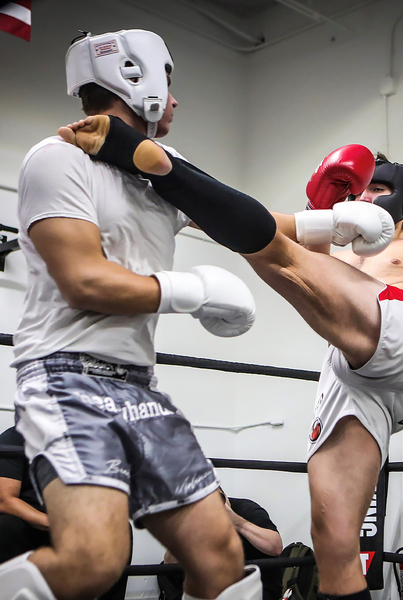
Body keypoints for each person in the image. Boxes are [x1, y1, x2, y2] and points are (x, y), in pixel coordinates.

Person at [56, 79, 403, 600]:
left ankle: (151, 161)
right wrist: (308, 213)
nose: (367, 198)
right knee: (334, 542)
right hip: (358, 382)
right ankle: (168, 185)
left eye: (379, 189)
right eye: (360, 190)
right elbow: (288, 249)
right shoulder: (340, 248)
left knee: (270, 251)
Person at [0, 29, 265, 600]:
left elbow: (256, 223)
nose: (175, 99)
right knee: (95, 559)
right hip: (65, 377)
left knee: (220, 557)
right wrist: (193, 290)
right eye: (168, 81)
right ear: (134, 75)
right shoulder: (57, 158)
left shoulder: (162, 169)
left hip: (139, 386)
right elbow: (83, 281)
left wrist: (334, 223)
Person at [0, 425, 133, 599]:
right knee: (8, 525)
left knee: (119, 528)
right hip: (29, 523)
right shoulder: (14, 438)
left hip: (71, 523)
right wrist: (51, 522)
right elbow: (5, 501)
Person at [159, 487, 283, 600]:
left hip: (255, 584)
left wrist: (237, 522)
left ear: (225, 496)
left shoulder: (246, 509)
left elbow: (275, 547)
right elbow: (169, 563)